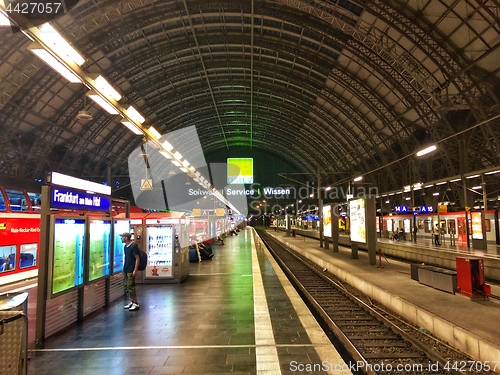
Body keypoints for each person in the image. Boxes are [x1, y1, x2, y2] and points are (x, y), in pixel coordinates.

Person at [121, 233, 140, 311]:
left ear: (126, 238)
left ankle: (135, 303)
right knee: (127, 286)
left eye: (122, 237)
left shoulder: (133, 246)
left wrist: (135, 269)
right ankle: (132, 301)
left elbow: (137, 258)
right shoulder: (125, 246)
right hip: (126, 268)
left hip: (131, 269)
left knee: (131, 286)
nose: (121, 239)